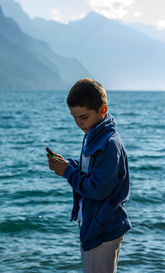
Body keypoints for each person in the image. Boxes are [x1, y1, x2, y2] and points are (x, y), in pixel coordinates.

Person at [47, 78, 132, 273]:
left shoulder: (108, 144)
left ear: (102, 110)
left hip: (103, 228)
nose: (78, 123)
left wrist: (68, 172)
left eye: (83, 117)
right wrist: (69, 165)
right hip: (96, 223)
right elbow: (90, 172)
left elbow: (98, 189)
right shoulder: (94, 133)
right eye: (74, 117)